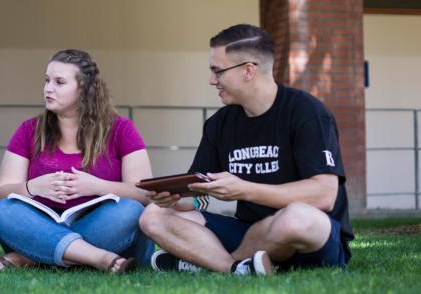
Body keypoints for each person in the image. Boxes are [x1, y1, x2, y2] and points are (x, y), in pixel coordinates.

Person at [138, 24, 353, 275]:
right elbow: (198, 194)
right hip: (249, 232)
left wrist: (245, 190)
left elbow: (324, 196)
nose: (212, 80)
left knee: (295, 217)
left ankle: (209, 261)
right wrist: (175, 199)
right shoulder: (220, 123)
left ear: (248, 71)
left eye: (218, 71)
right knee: (153, 216)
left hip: (308, 237)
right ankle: (235, 268)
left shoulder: (307, 113)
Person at [0, 49, 154, 273]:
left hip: (99, 225)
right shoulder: (29, 130)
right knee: (3, 211)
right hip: (40, 223)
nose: (48, 88)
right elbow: (2, 190)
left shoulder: (121, 129)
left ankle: (33, 256)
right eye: (47, 80)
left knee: (129, 211)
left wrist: (97, 186)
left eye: (59, 82)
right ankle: (100, 257)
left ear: (83, 88)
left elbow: (144, 192)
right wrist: (34, 187)